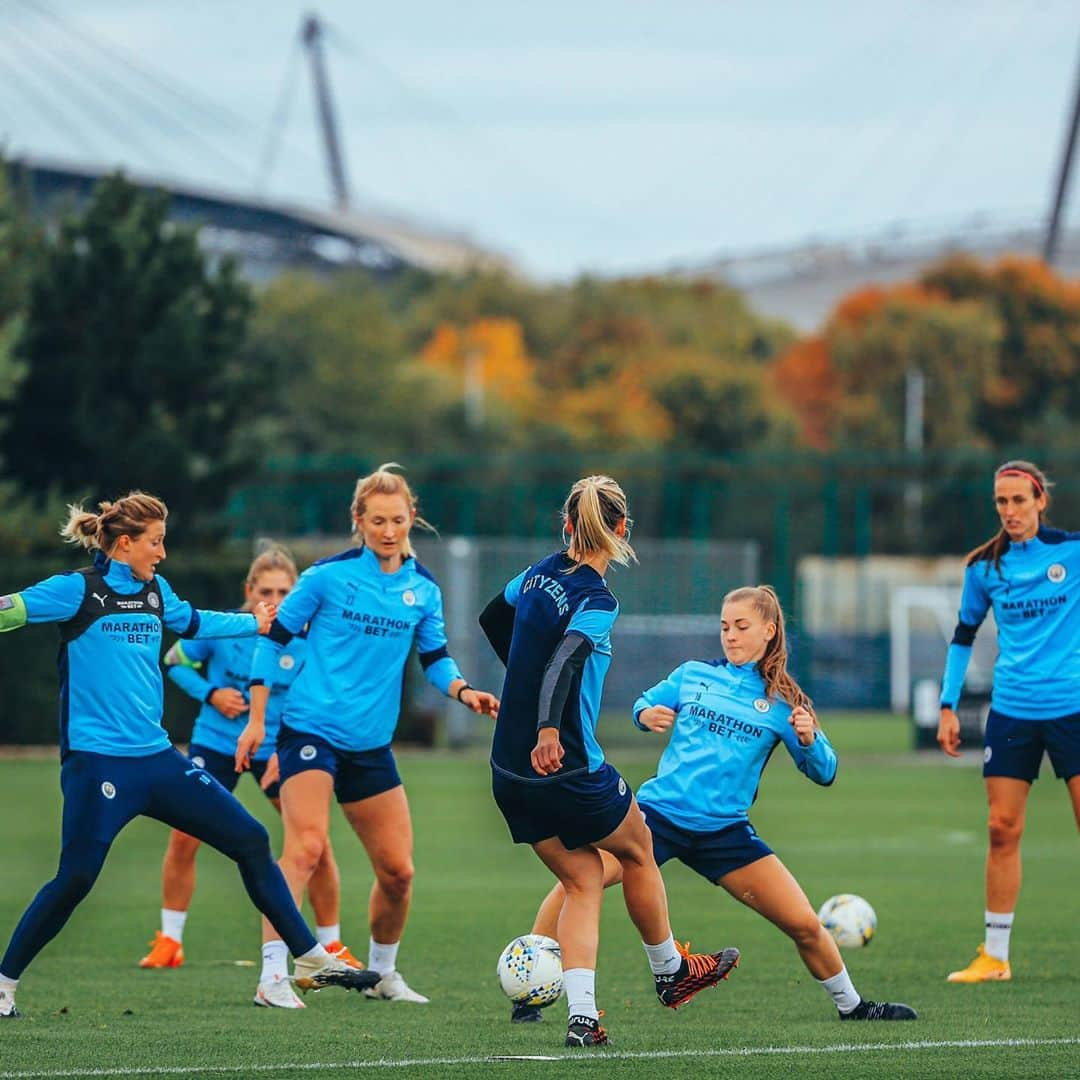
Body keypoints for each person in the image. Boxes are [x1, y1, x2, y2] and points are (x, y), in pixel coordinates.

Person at [0, 493, 375, 1020]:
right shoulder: (75, 591)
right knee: (76, 878)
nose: (163, 552)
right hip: (98, 764)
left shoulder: (154, 591)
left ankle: (310, 959)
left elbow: (194, 621)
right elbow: (9, 610)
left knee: (250, 838)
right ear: (125, 544)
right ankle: (3, 984)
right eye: (155, 542)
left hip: (157, 760)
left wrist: (256, 623)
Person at [517, 584, 917, 1026]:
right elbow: (645, 702)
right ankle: (530, 984)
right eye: (724, 626)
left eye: (741, 627)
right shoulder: (693, 674)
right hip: (656, 819)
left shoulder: (785, 703)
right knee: (579, 881)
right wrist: (644, 715)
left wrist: (810, 739)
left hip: (724, 833)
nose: (729, 635)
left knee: (804, 923)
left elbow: (824, 771)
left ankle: (854, 1007)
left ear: (769, 631)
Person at [479, 475, 740, 1049]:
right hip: (565, 766)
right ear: (623, 530)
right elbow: (567, 661)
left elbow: (492, 619)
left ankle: (583, 1019)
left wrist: (522, 697)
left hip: (506, 770)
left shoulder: (540, 571)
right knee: (640, 846)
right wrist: (547, 727)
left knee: (582, 877)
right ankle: (671, 972)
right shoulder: (598, 600)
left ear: (566, 525)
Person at [237, 463, 499, 1009]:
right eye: (376, 520)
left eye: (397, 520)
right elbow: (271, 641)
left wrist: (463, 691)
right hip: (308, 731)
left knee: (399, 873)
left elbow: (435, 659)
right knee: (305, 849)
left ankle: (382, 974)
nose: (387, 530)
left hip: (369, 745)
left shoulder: (421, 588)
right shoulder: (325, 578)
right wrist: (259, 720)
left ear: (412, 519)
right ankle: (272, 977)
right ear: (358, 520)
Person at [139, 546, 358, 973]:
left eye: (284, 589)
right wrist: (212, 694)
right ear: (248, 590)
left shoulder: (309, 636)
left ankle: (331, 945)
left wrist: (289, 749)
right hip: (217, 743)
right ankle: (169, 940)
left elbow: (315, 695)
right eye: (266, 590)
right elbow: (174, 661)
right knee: (185, 836)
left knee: (314, 845)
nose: (275, 598)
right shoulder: (228, 628)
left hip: (280, 748)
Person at [937, 460, 1080, 983]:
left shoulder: (1073, 552)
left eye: (1019, 500)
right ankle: (995, 956)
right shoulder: (984, 567)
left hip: (1074, 709)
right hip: (1013, 710)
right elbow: (963, 636)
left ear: (1041, 500)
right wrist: (948, 706)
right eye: (1001, 501)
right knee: (1001, 829)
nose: (1010, 510)